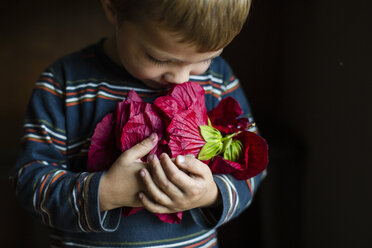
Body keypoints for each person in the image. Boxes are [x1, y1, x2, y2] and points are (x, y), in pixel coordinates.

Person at [10, 0, 266, 247]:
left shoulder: (218, 79)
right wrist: (104, 193)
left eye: (205, 60)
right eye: (159, 58)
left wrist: (210, 194)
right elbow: (29, 182)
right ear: (112, 7)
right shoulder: (64, 83)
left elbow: (251, 170)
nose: (181, 78)